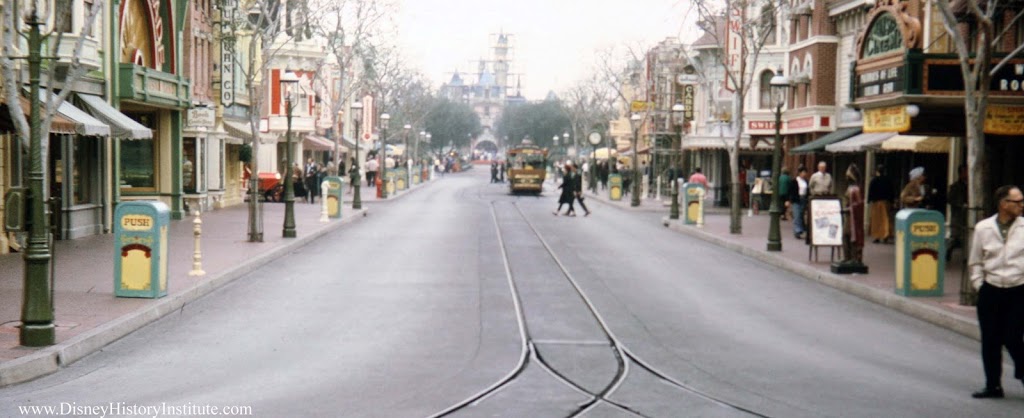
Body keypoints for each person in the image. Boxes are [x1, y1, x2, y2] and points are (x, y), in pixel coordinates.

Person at [968, 185, 1024, 399]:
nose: (1021, 205)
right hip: (991, 289)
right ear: (1003, 204)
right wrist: (979, 285)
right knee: (990, 340)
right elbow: (975, 261)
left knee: (1013, 336)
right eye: (1017, 201)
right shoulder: (983, 228)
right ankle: (993, 385)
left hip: (1018, 289)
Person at [868, 166, 895, 243]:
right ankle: (886, 235)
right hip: (886, 202)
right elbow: (891, 191)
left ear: (877, 171)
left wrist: (869, 200)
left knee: (876, 221)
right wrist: (892, 201)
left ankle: (877, 236)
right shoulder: (888, 180)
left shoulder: (874, 180)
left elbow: (871, 191)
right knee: (885, 219)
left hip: (876, 202)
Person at [844, 164, 865, 262]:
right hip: (848, 216)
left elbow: (859, 203)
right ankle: (847, 256)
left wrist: (851, 208)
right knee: (846, 235)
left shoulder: (856, 189)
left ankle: (854, 257)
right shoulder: (850, 188)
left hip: (854, 217)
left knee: (853, 236)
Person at [947, 165, 968, 260]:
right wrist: (960, 204)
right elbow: (950, 199)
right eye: (965, 172)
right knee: (955, 237)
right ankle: (948, 252)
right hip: (958, 215)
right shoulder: (955, 186)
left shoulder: (969, 186)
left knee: (965, 237)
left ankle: (966, 256)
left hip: (967, 215)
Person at [792, 166, 809, 239]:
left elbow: (808, 190)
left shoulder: (806, 181)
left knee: (801, 214)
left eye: (805, 172)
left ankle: (801, 229)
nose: (804, 174)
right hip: (797, 199)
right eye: (802, 172)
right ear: (799, 173)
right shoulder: (795, 181)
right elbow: (791, 190)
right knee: (797, 214)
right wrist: (789, 200)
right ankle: (797, 231)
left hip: (804, 199)